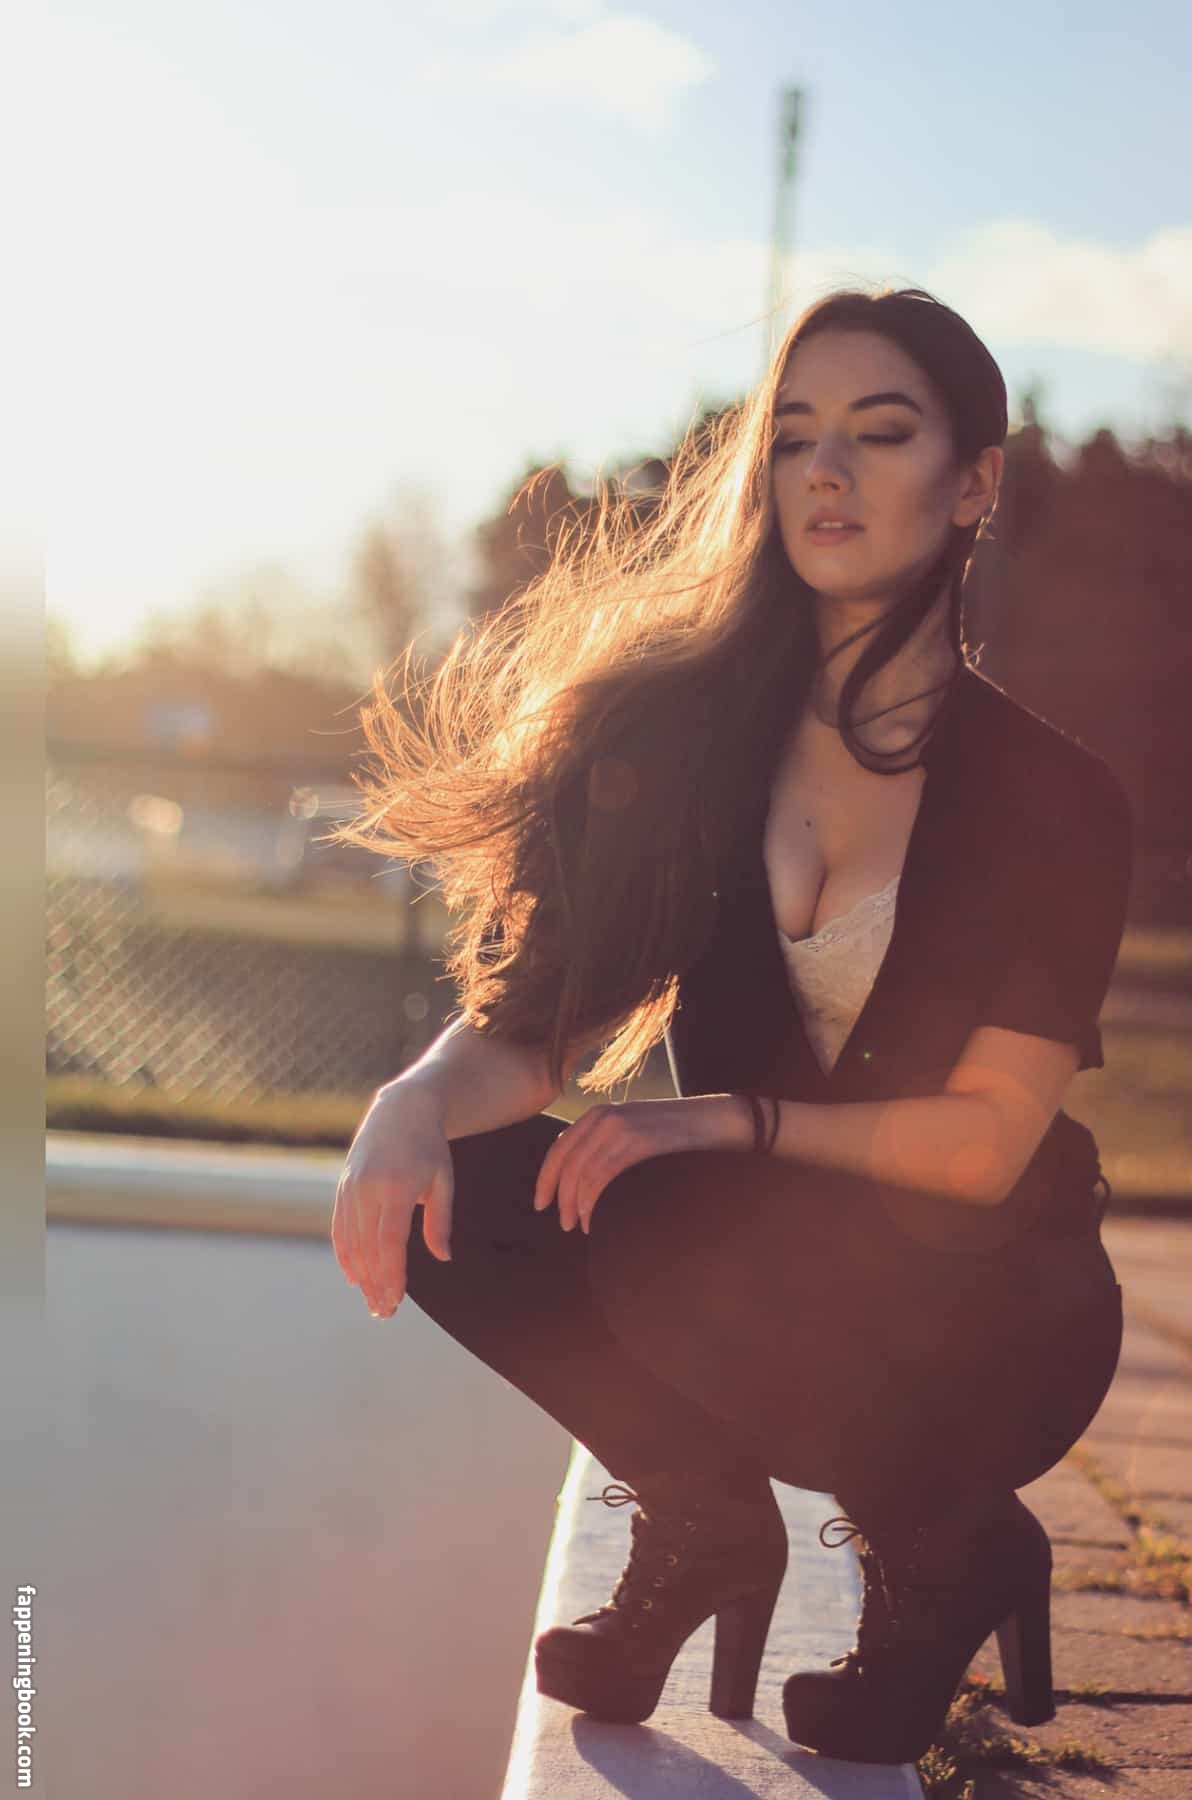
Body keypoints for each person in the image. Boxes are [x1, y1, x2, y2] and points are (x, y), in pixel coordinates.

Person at [328, 285, 1133, 1768]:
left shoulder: (1057, 800)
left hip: (989, 1304)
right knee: (475, 1193)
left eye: (879, 434)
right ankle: (702, 1519)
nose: (825, 471)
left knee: (662, 1207)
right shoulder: (688, 747)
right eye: (796, 434)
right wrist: (413, 1104)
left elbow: (985, 1147)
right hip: (740, 1266)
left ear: (973, 484)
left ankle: (943, 1538)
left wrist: (729, 1121)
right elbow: (538, 1025)